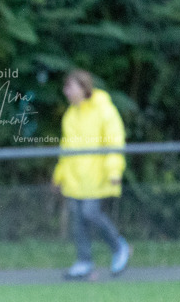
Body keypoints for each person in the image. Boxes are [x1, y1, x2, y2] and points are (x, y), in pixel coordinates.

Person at [52, 68, 132, 280]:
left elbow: (115, 141)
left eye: (70, 87)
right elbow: (66, 148)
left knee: (90, 213)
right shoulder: (70, 114)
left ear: (83, 87)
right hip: (75, 178)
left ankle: (119, 247)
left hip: (96, 176)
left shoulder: (104, 110)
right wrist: (59, 175)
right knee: (78, 220)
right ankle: (84, 261)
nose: (66, 91)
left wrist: (114, 170)